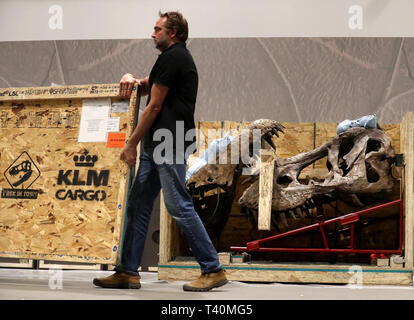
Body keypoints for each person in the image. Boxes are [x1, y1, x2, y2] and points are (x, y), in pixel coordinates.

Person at [93, 11, 227, 292]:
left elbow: (153, 106)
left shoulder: (175, 57)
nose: (152, 34)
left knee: (178, 205)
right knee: (139, 204)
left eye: (157, 29)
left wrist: (130, 143)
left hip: (169, 141)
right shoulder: (168, 60)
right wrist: (130, 78)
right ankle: (128, 271)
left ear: (172, 33)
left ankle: (212, 269)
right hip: (158, 142)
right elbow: (147, 87)